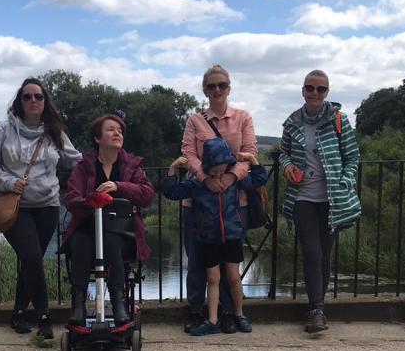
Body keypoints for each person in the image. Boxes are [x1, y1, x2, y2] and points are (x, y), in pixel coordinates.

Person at [0, 77, 82, 339]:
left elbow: (76, 161)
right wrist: (8, 181)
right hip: (15, 207)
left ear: (45, 101)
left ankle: (18, 313)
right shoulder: (4, 129)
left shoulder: (54, 132)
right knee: (32, 257)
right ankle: (44, 316)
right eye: (27, 96)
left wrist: (107, 163)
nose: (33, 100)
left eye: (38, 96)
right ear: (20, 101)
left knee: (31, 260)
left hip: (48, 206)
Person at [278, 69, 362, 334]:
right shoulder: (292, 122)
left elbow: (352, 157)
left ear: (327, 92)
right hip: (302, 196)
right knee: (312, 252)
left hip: (332, 199)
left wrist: (345, 182)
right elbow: (283, 153)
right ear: (303, 91)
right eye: (310, 88)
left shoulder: (339, 120)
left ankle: (318, 309)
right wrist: (287, 165)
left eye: (321, 89)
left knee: (324, 255)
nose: (315, 93)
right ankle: (316, 310)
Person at [181, 64, 257, 333]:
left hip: (234, 203)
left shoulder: (243, 118)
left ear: (229, 88)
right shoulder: (195, 121)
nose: (217, 90)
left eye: (221, 85)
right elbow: (188, 154)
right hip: (200, 202)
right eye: (211, 86)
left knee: (229, 264)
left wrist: (231, 177)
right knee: (197, 260)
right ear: (205, 90)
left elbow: (249, 152)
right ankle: (196, 310)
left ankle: (227, 312)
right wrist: (206, 179)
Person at [163, 140, 266, 336]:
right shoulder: (197, 184)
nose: (218, 175)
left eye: (222, 170)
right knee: (212, 279)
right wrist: (172, 169)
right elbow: (172, 192)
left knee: (234, 278)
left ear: (227, 166)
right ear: (207, 168)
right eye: (214, 171)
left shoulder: (234, 181)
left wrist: (252, 160)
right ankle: (212, 320)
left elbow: (259, 179)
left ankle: (239, 314)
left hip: (232, 235)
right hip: (209, 237)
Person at [62, 114, 155, 325]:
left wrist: (118, 186)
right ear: (97, 138)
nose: (117, 133)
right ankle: (78, 305)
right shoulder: (83, 167)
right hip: (88, 229)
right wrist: (92, 201)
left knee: (111, 239)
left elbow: (147, 194)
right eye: (111, 130)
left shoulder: (132, 166)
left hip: (123, 233)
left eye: (120, 131)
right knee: (81, 242)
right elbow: (71, 198)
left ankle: (118, 302)